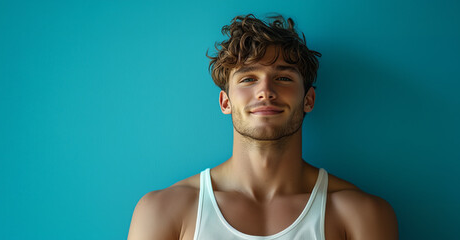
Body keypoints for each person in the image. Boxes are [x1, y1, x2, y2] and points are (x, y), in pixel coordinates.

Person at [127, 14, 398, 240]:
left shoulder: (361, 215)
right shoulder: (162, 211)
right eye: (248, 79)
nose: (265, 91)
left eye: (282, 77)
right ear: (225, 102)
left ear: (309, 99)